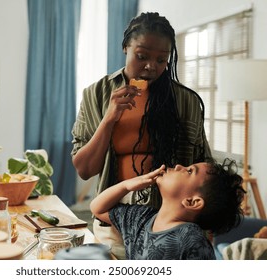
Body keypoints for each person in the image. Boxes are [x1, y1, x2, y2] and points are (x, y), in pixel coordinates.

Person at [71, 12, 211, 259]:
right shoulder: (96, 94)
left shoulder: (185, 101)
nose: (151, 66)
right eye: (142, 56)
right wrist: (109, 118)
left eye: (161, 60)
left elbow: (204, 167)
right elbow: (84, 169)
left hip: (167, 227)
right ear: (125, 47)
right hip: (112, 221)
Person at [90, 158, 245, 260]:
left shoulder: (191, 240)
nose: (178, 166)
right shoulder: (141, 218)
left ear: (192, 202)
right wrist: (127, 185)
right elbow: (98, 208)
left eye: (189, 171)